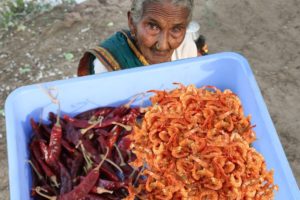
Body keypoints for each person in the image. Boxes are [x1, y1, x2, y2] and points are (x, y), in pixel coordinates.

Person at [77, 0, 197, 76]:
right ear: (132, 23)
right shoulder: (107, 66)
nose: (163, 45)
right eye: (153, 26)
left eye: (176, 29)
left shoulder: (186, 47)